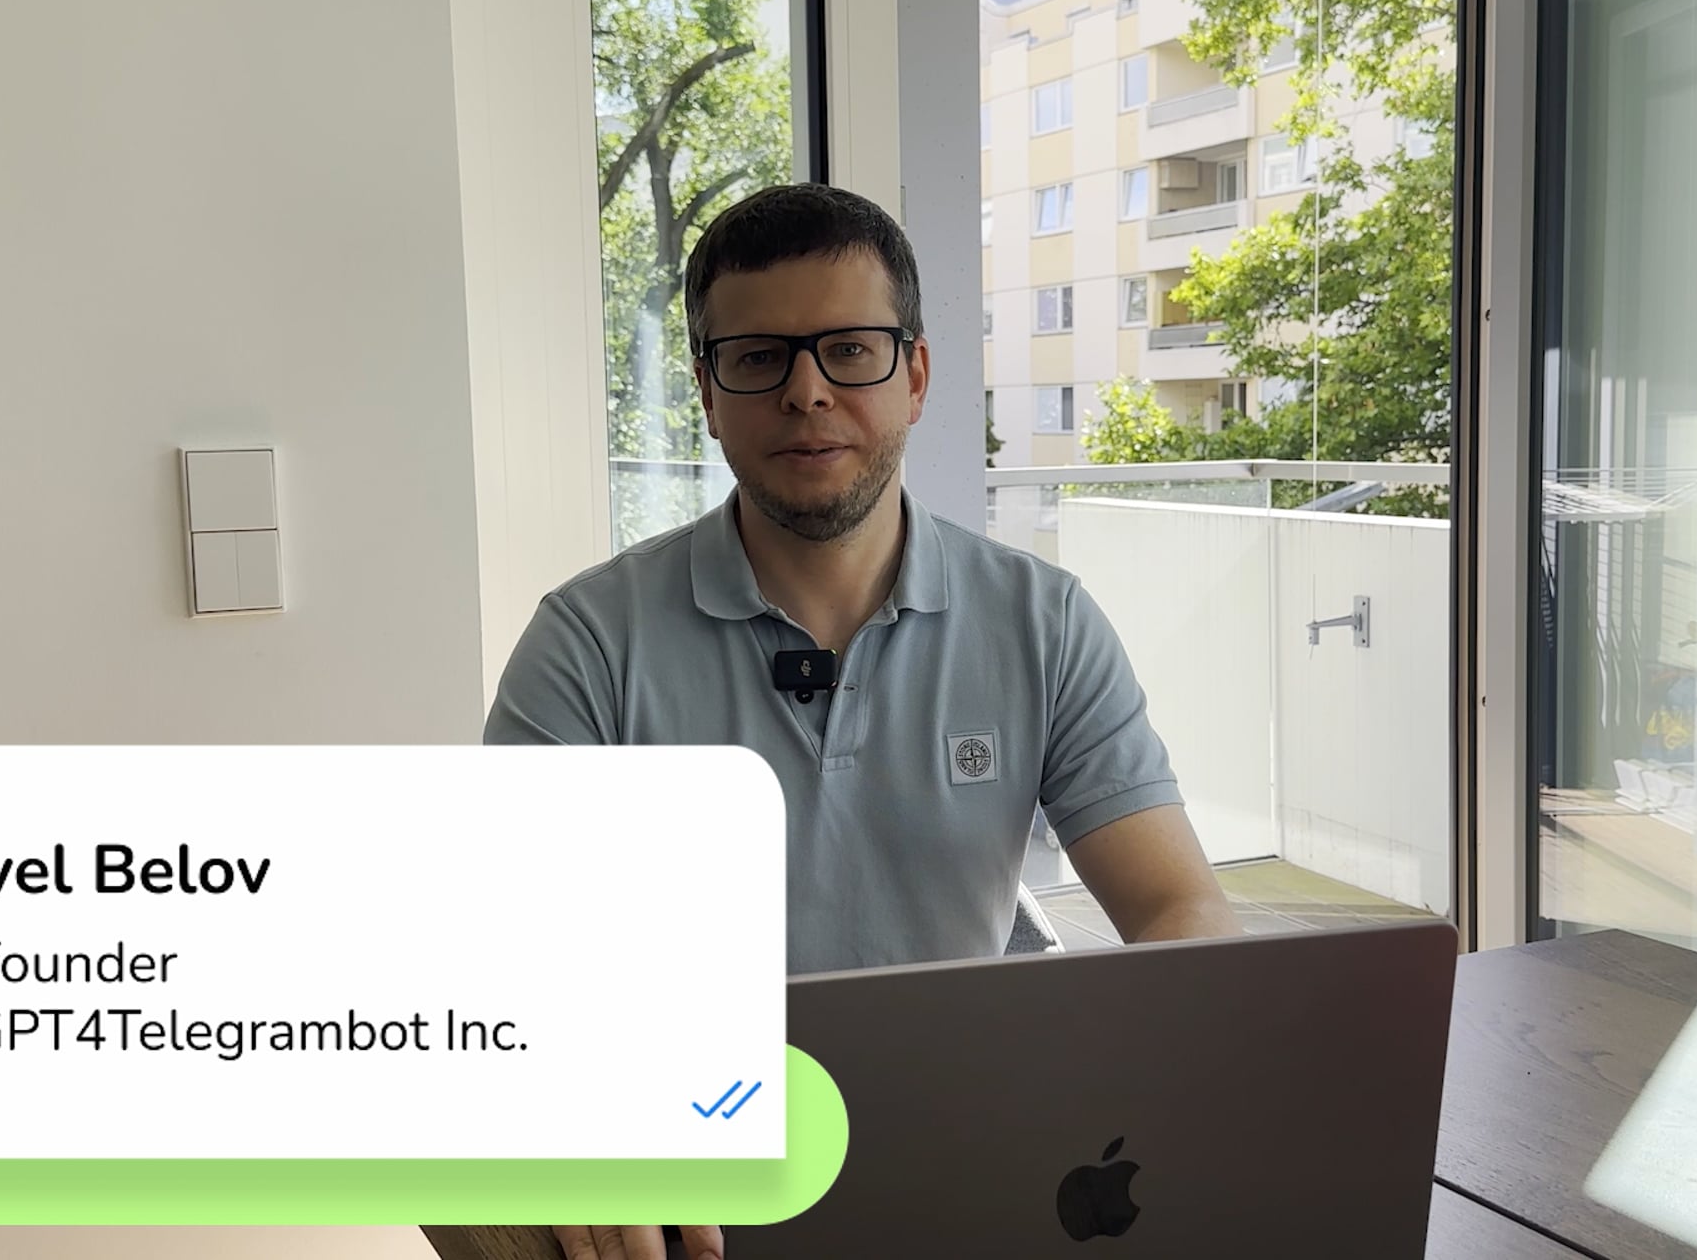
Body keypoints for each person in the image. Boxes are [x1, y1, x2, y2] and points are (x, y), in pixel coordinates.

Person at [485, 183, 1238, 1260]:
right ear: (707, 393)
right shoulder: (590, 641)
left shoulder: (1042, 623)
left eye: (849, 350)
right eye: (758, 357)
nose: (807, 392)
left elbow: (1178, 910)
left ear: (915, 376)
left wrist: (1130, 1079)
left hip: (985, 1164)